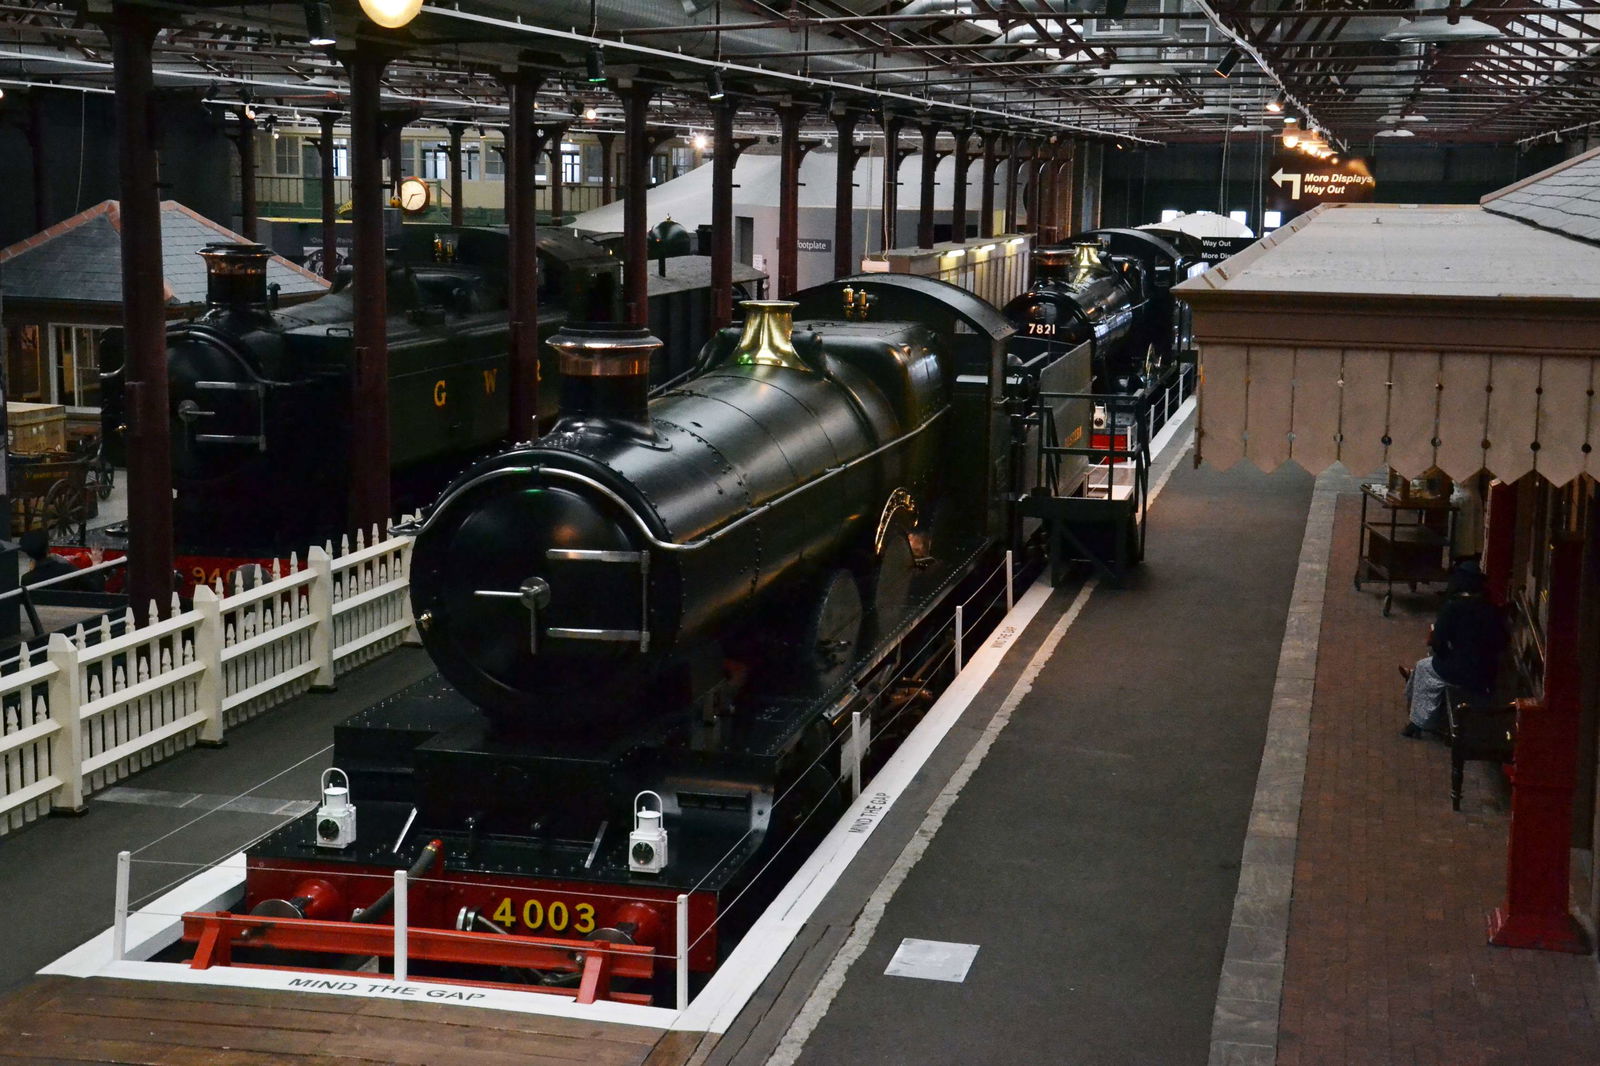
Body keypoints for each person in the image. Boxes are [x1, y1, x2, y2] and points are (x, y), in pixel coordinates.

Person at [1401, 560, 1507, 738]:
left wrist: (1447, 654)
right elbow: (1502, 640)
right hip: (1486, 671)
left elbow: (1438, 643)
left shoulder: (1453, 607)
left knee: (1423, 667)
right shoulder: (1490, 609)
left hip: (1460, 670)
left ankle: (1418, 722)